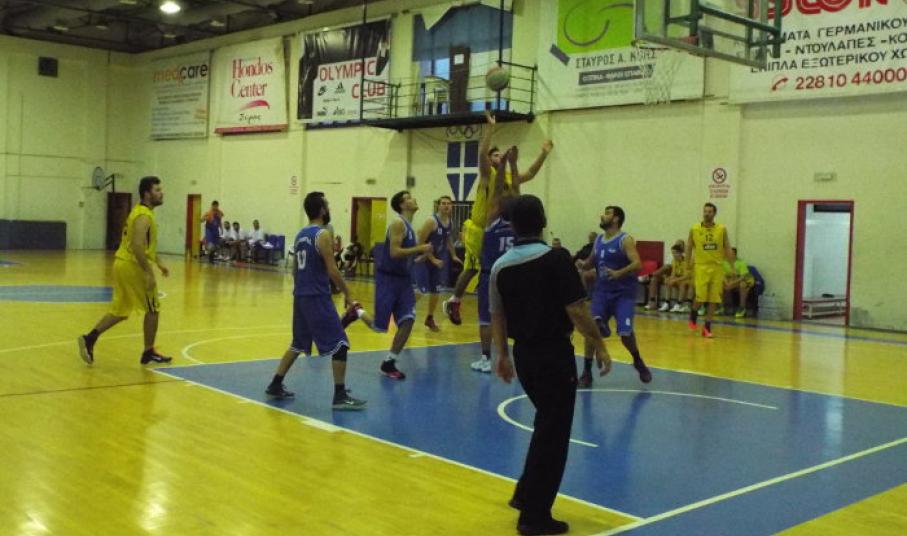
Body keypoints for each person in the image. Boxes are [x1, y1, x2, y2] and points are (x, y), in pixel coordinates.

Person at [490, 194, 612, 536]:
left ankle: (524, 494)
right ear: (543, 221)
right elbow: (577, 310)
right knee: (554, 435)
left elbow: (497, 315)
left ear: (513, 226)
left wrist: (502, 355)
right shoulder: (556, 259)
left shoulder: (500, 267)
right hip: (554, 355)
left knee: (545, 425)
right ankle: (534, 516)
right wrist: (599, 345)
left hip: (524, 356)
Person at [443, 110, 553, 325]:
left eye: (499, 155)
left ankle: (502, 305)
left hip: (500, 227)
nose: (498, 156)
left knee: (502, 267)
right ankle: (454, 300)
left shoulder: (510, 177)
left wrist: (543, 153)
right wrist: (490, 129)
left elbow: (531, 173)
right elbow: (481, 154)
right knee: (474, 267)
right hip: (480, 226)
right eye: (494, 155)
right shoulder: (488, 174)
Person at [264, 192, 370, 409]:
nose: (329, 208)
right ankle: (340, 396)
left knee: (298, 342)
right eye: (327, 205)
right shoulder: (322, 235)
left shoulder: (300, 235)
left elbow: (295, 270)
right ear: (322, 210)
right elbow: (332, 270)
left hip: (301, 295)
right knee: (340, 343)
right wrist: (348, 294)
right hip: (317, 296)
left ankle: (275, 384)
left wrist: (303, 289)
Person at [77, 176, 172, 366]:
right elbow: (137, 246)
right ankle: (148, 351)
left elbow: (144, 245)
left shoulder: (139, 211)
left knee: (121, 310)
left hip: (122, 264)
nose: (161, 193)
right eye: (157, 190)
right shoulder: (143, 215)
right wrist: (148, 272)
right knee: (153, 308)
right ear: (147, 194)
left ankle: (89, 338)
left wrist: (159, 262)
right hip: (132, 266)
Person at [577, 206, 653, 387]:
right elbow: (590, 262)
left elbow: (637, 263)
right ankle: (586, 372)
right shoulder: (598, 240)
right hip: (602, 292)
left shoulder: (625, 240)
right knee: (591, 329)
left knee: (625, 334)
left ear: (616, 219)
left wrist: (619, 273)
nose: (602, 215)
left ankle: (637, 360)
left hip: (623, 295)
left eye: (607, 213)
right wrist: (582, 264)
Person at [374, 191, 433, 379]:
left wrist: (420, 256)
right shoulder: (398, 223)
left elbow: (406, 255)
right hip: (388, 279)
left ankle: (389, 362)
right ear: (401, 205)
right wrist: (420, 248)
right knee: (378, 326)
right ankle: (356, 312)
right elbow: (394, 252)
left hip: (403, 280)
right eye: (409, 198)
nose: (414, 199)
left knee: (408, 319)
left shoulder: (410, 227)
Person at [686, 202, 734, 338]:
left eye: (709, 212)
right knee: (700, 297)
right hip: (701, 266)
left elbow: (727, 247)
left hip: (717, 267)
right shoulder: (694, 229)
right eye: (705, 211)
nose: (706, 214)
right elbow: (689, 247)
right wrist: (687, 265)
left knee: (714, 298)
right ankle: (693, 313)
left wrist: (732, 266)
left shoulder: (721, 229)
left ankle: (707, 327)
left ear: (714, 214)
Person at [414, 195, 461, 332]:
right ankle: (402, 309)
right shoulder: (431, 221)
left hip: (437, 260)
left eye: (448, 203)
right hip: (424, 259)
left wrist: (453, 255)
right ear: (438, 206)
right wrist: (432, 259)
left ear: (452, 207)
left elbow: (448, 239)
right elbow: (420, 242)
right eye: (443, 203)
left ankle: (429, 318)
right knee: (421, 291)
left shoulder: (450, 222)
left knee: (436, 291)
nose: (446, 205)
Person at [645, 242, 691, 313]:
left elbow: (686, 276)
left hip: (687, 279)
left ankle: (679, 304)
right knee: (668, 282)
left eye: (675, 253)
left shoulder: (686, 261)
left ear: (680, 253)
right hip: (678, 278)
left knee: (682, 283)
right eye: (672, 253)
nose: (673, 255)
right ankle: (667, 303)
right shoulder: (674, 261)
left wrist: (675, 280)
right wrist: (670, 279)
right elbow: (673, 273)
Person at [722, 247, 755, 318]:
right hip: (730, 281)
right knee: (717, 284)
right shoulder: (723, 262)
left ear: (735, 255)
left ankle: (742, 308)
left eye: (730, 253)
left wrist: (731, 283)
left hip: (744, 280)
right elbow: (722, 274)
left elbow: (743, 277)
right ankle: (720, 307)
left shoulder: (741, 262)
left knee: (743, 285)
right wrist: (726, 282)